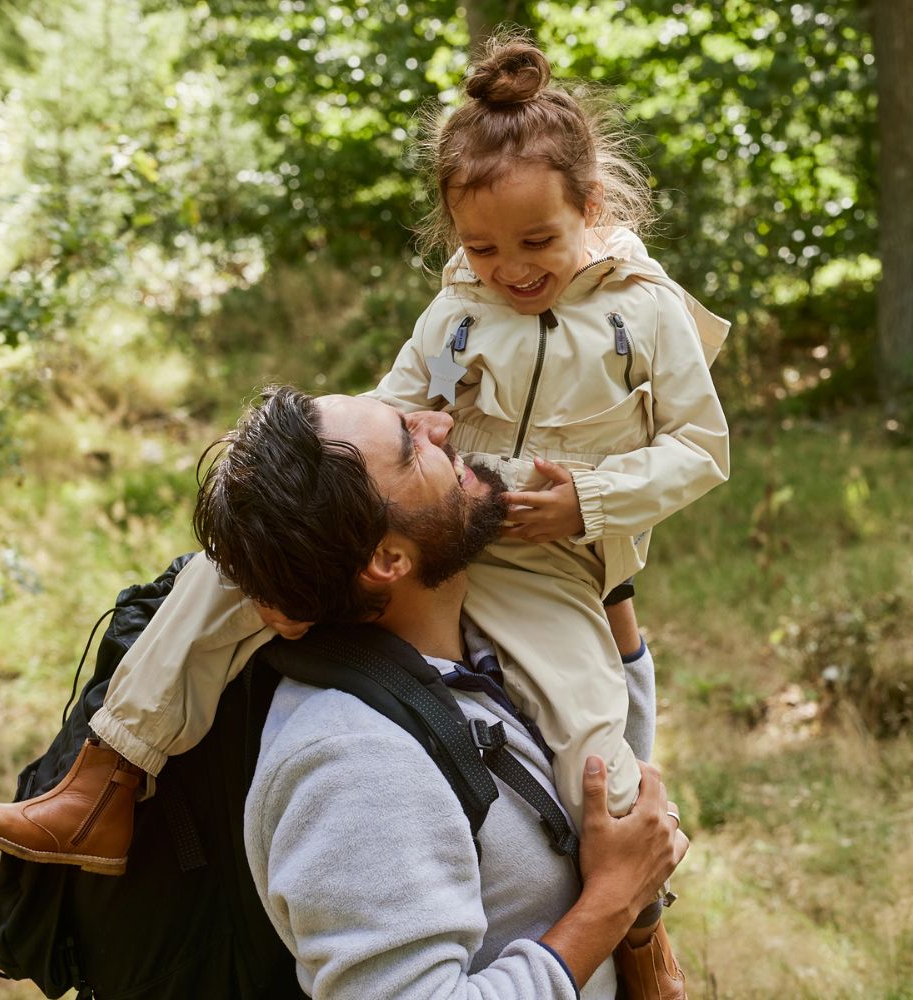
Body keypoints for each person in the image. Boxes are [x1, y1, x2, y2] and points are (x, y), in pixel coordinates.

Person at [0, 31, 725, 994]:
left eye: (537, 242)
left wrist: (589, 501)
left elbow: (701, 451)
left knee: (593, 744)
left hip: (548, 553)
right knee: (229, 567)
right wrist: (334, 486)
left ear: (593, 208)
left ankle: (639, 930)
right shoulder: (453, 312)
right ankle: (107, 775)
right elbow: (389, 428)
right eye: (481, 247)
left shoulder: (646, 315)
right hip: (438, 517)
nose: (511, 269)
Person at [205, 385, 692, 998]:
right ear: (387, 558)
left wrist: (604, 560)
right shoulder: (352, 763)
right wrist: (611, 904)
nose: (439, 425)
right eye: (410, 448)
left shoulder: (476, 641)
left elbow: (604, 730)